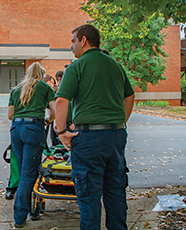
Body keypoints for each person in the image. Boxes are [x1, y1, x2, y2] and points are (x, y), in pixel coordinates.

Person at [55, 25, 135, 230]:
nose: (71, 46)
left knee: (89, 196)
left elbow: (62, 100)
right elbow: (129, 95)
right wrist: (119, 122)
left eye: (73, 41)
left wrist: (62, 132)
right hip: (116, 135)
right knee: (115, 191)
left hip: (89, 138)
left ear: (83, 40)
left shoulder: (77, 66)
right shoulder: (115, 65)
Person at [8, 62, 55, 228]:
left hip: (16, 129)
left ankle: (32, 209)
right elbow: (54, 110)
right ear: (41, 74)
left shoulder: (16, 89)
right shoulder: (44, 87)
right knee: (29, 173)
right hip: (33, 129)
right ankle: (20, 216)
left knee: (23, 171)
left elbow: (10, 115)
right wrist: (49, 120)